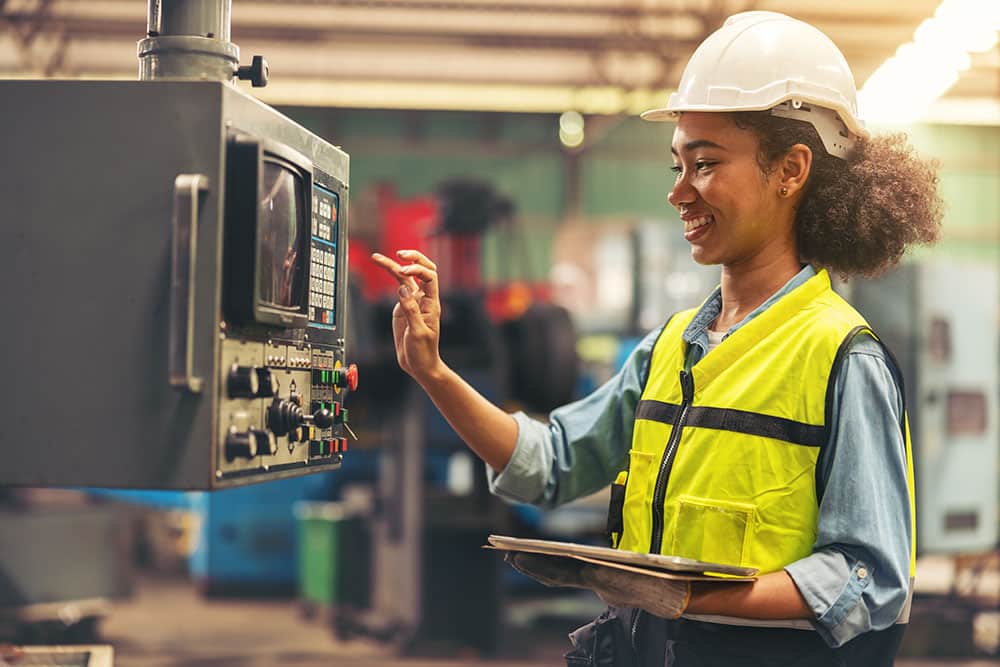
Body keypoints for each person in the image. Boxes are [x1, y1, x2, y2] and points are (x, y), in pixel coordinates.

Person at [372, 11, 942, 666]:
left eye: (704, 164)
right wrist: (433, 372)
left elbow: (870, 578)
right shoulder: (671, 346)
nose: (678, 192)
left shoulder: (843, 356)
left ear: (791, 170)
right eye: (677, 163)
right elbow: (552, 462)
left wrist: (684, 596)